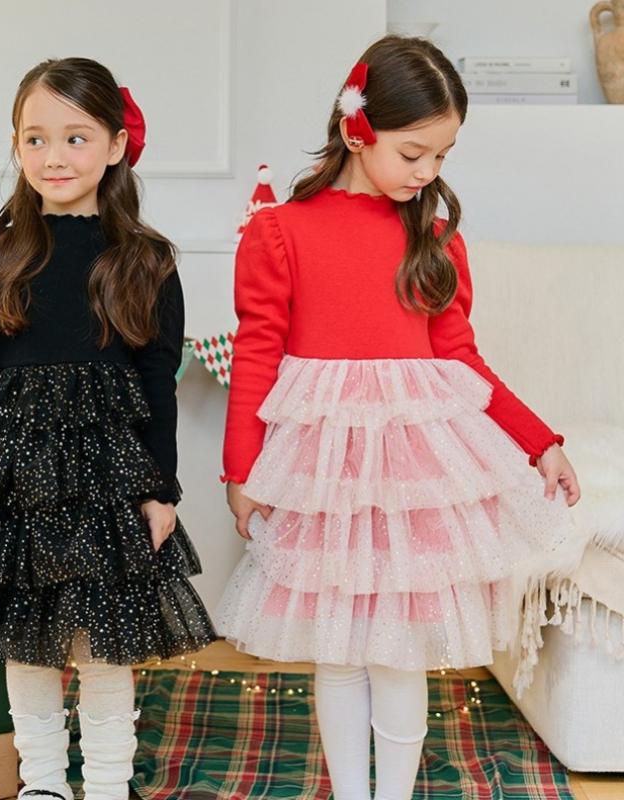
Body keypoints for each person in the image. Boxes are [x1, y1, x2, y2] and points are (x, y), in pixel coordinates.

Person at [215, 36, 585, 800]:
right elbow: (256, 355)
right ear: (357, 130)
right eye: (414, 153)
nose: (428, 172)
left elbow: (463, 360)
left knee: (397, 654)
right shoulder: (281, 231)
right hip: (325, 479)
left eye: (442, 157)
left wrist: (538, 442)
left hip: (414, 481)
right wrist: (240, 471)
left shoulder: (434, 236)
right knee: (338, 653)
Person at [0, 57, 217, 800]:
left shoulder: (144, 260)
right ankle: (42, 783)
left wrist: (160, 490)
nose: (54, 156)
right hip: (15, 484)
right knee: (29, 647)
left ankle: (105, 782)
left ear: (116, 144)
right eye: (35, 138)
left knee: (105, 649)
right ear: (16, 145)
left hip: (107, 485)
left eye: (76, 138)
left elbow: (157, 383)